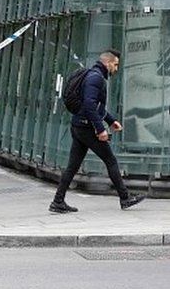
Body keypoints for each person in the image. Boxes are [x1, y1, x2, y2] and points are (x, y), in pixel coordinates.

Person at [50, 49, 145, 213]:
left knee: (72, 166)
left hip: (79, 126)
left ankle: (58, 201)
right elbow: (89, 105)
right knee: (110, 160)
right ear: (107, 63)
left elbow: (95, 106)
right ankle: (125, 198)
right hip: (86, 128)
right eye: (115, 65)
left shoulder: (93, 75)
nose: (116, 69)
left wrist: (111, 120)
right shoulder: (96, 78)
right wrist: (100, 129)